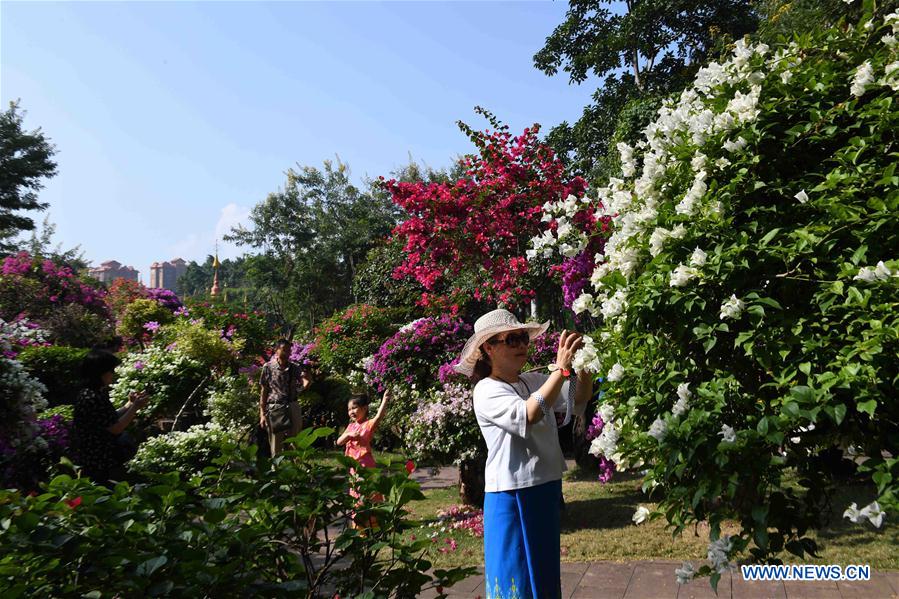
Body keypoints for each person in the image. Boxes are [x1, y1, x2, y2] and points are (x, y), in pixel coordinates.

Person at [454, 309, 593, 599]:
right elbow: (529, 413)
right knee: (515, 576)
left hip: (544, 485)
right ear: (488, 348)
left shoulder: (531, 380)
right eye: (512, 339)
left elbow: (578, 398)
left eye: (523, 339)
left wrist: (584, 364)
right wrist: (560, 370)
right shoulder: (486, 390)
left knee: (542, 577)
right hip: (512, 494)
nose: (521, 345)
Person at [72, 349, 148, 484]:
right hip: (99, 459)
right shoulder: (92, 397)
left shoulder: (90, 393)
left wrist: (129, 404)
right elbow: (115, 428)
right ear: (101, 372)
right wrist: (136, 407)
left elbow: (107, 418)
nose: (113, 374)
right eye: (111, 370)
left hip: (96, 457)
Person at [336, 389, 390, 527]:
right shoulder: (350, 426)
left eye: (354, 408)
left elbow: (379, 416)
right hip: (353, 468)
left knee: (368, 493)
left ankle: (374, 523)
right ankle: (358, 525)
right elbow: (339, 441)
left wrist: (384, 400)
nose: (351, 412)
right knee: (355, 493)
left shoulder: (368, 425)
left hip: (365, 466)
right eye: (349, 409)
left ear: (364, 408)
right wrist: (349, 435)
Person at [259, 339, 310, 457]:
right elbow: (264, 391)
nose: (287, 353)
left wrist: (305, 383)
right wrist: (262, 414)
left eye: (289, 350)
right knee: (276, 441)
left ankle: (297, 467)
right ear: (276, 350)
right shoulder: (268, 367)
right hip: (275, 407)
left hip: (292, 405)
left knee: (297, 439)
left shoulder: (294, 367)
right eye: (284, 350)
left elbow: (304, 382)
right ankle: (277, 469)